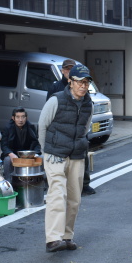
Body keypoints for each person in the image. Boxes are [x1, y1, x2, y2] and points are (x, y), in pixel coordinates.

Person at [39, 65, 93, 253]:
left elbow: (86, 128)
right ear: (70, 82)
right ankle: (52, 238)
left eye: (86, 82)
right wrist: (45, 151)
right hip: (54, 154)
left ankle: (67, 236)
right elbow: (42, 126)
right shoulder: (56, 100)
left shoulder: (89, 104)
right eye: (79, 82)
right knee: (57, 194)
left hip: (76, 155)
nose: (83, 86)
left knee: (74, 199)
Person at [46, 59, 96, 196]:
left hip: (78, 129)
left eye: (71, 69)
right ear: (62, 71)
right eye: (66, 69)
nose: (68, 71)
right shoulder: (55, 87)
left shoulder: (83, 89)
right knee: (58, 190)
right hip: (60, 134)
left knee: (82, 155)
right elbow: (46, 117)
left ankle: (84, 184)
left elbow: (87, 110)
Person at [1, 107, 41, 182]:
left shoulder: (31, 127)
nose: (20, 120)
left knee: (41, 157)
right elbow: (4, 145)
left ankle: (39, 182)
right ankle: (9, 183)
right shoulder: (8, 128)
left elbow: (36, 143)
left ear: (26, 118)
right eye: (18, 117)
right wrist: (10, 154)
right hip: (13, 153)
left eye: (23, 117)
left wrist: (35, 154)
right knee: (7, 160)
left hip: (28, 154)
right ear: (13, 118)